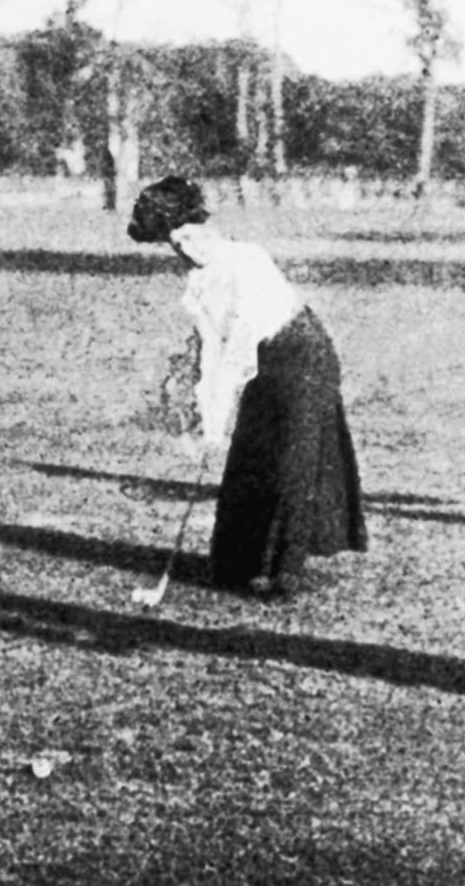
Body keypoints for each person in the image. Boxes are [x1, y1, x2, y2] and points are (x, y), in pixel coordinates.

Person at [127, 175, 366, 595]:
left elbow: (241, 340)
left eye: (185, 236)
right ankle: (237, 563)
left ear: (203, 226)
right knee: (250, 456)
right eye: (173, 242)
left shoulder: (246, 260)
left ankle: (281, 572)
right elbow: (209, 351)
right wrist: (209, 414)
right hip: (262, 361)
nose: (183, 248)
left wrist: (222, 402)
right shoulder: (197, 286)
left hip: (302, 355)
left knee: (292, 461)